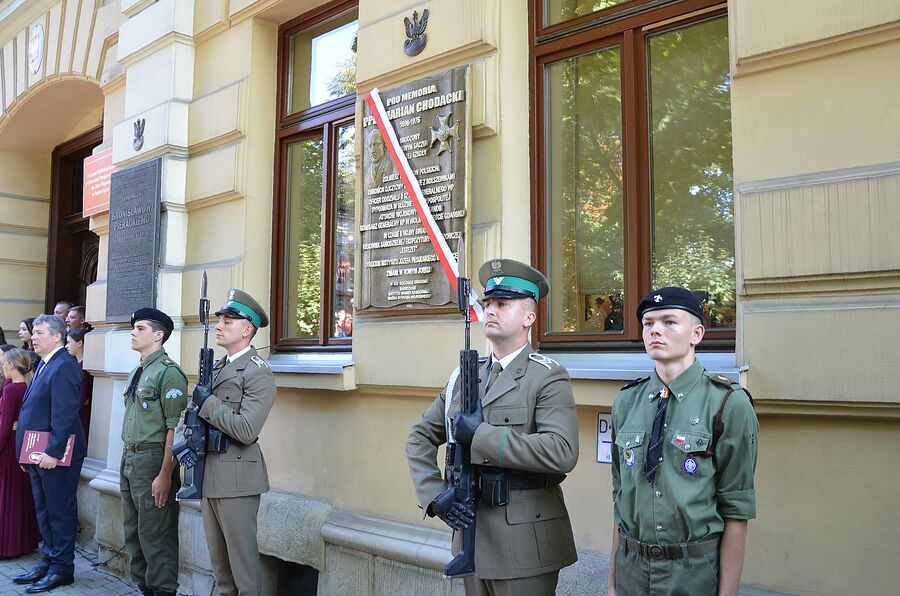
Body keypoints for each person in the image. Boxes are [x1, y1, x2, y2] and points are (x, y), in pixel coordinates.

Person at [407, 258, 580, 595]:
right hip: (471, 536)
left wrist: (482, 436)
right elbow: (419, 436)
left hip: (525, 542)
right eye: (488, 303)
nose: (491, 310)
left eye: (503, 304)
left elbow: (562, 451)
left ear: (528, 317)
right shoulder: (463, 378)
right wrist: (434, 495)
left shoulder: (546, 375)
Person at [608, 287, 759, 596]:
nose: (655, 330)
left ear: (696, 333)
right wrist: (612, 583)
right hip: (631, 570)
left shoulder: (728, 404)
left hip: (692, 574)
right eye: (648, 323)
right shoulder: (626, 402)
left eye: (669, 322)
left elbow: (736, 510)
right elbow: (620, 500)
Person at [190, 289, 276, 596]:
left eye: (228, 320)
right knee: (222, 574)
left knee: (244, 575)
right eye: (220, 319)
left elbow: (246, 429)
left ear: (247, 329)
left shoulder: (257, 373)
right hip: (210, 475)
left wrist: (208, 403)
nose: (220, 325)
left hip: (238, 480)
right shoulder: (217, 366)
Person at [13, 314, 85, 593]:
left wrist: (53, 453)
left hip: (56, 455)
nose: (34, 337)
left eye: (40, 332)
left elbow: (65, 414)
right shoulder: (44, 363)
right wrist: (25, 454)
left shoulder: (64, 365)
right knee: (44, 511)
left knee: (60, 512)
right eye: (34, 332)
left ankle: (62, 568)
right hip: (36, 454)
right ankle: (49, 559)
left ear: (57, 336)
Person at [120, 309, 187, 596]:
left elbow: (176, 428)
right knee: (134, 532)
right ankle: (144, 587)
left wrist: (165, 475)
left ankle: (162, 590)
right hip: (130, 457)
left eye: (141, 328)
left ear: (158, 335)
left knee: (156, 533)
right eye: (134, 327)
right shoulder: (140, 369)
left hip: (153, 459)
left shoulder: (169, 373)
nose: (133, 332)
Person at [0, 348, 42, 559]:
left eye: (4, 363)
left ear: (12, 365)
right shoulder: (28, 385)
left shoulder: (10, 390)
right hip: (24, 444)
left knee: (8, 495)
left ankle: (7, 545)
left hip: (8, 448)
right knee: (22, 495)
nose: (2, 366)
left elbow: (5, 425)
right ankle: (24, 542)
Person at [66, 326, 95, 452]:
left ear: (80, 343)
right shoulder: (76, 365)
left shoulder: (83, 368)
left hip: (79, 416)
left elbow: (81, 397)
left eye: (69, 342)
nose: (66, 346)